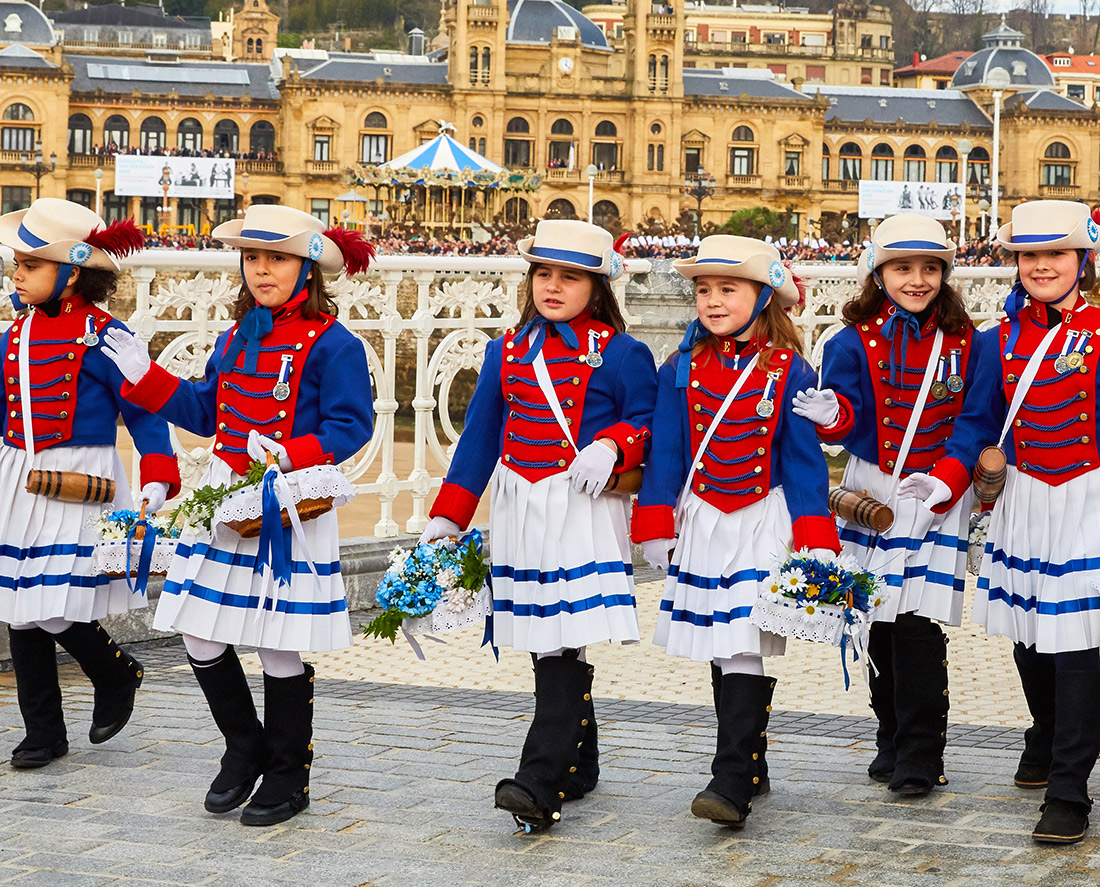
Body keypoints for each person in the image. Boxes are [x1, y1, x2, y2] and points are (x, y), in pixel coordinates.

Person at [103, 204, 374, 827]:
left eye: (275, 258)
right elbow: (205, 413)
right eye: (252, 258)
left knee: (280, 644)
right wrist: (145, 377)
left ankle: (288, 774)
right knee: (199, 628)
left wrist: (289, 453)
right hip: (225, 494)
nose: (260, 270)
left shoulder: (335, 343)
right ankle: (243, 745)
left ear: (307, 267)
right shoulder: (234, 337)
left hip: (287, 499)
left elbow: (351, 424)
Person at [421, 219, 657, 833]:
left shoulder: (625, 352)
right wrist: (448, 515)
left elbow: (652, 421)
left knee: (559, 638)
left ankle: (540, 779)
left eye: (570, 276)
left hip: (582, 504)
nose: (552, 286)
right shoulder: (506, 348)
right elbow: (479, 436)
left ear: (598, 285)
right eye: (543, 273)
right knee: (548, 635)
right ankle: (579, 763)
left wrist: (613, 444)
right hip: (520, 502)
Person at [900, 200, 1100, 846]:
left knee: (1077, 644)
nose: (1041, 266)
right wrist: (947, 482)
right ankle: (1047, 728)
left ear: (1081, 261)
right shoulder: (996, 340)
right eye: (1029, 256)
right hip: (1023, 501)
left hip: (1087, 498)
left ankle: (1070, 787)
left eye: (1055, 255)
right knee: (1028, 637)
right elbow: (977, 426)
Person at [632, 234, 840, 830]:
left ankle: (731, 780)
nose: (714, 301)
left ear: (763, 295)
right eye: (704, 290)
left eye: (728, 289)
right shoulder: (681, 367)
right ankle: (751, 759)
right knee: (721, 640)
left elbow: (803, 462)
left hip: (763, 517)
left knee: (744, 640)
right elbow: (667, 451)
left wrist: (815, 538)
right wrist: (654, 520)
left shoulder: (790, 368)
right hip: (703, 515)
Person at [0, 198, 179, 770]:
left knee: (52, 601)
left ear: (71, 272)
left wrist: (157, 474)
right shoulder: (15, 332)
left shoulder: (104, 336)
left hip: (83, 477)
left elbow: (146, 412)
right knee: (21, 606)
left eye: (30, 265)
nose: (16, 274)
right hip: (18, 473)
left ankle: (113, 671)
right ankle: (43, 732)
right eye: (16, 264)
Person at [816, 215, 974, 798]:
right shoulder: (849, 340)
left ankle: (922, 751)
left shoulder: (964, 339)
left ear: (944, 275)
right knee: (875, 620)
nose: (917, 279)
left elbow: (975, 417)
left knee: (917, 624)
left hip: (934, 493)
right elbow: (845, 422)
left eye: (929, 268)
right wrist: (833, 417)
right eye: (903, 268)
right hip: (873, 492)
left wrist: (950, 478)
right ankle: (889, 734)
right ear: (878, 274)